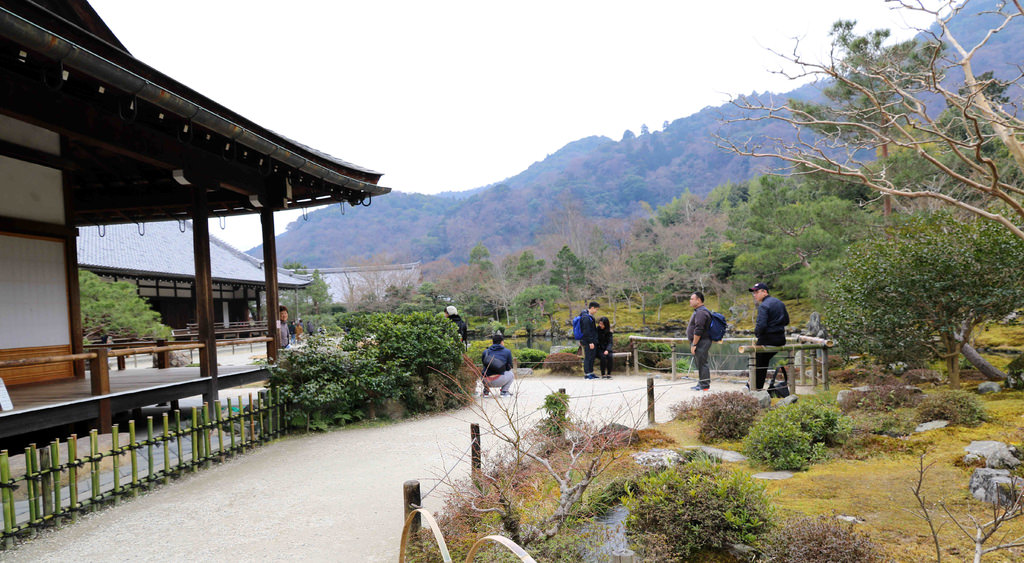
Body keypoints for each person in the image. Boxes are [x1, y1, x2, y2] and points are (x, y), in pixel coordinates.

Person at [750, 282, 789, 390]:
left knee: (758, 363)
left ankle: (755, 388)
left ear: (765, 292)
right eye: (754, 293)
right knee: (762, 362)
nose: (755, 295)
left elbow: (761, 325)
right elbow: (786, 321)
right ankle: (754, 387)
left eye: (757, 292)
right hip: (781, 339)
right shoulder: (780, 303)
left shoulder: (764, 306)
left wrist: (757, 334)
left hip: (767, 339)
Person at [686, 291, 713, 391]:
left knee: (702, 363)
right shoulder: (699, 311)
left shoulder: (701, 312)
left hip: (701, 341)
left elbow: (699, 330)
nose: (690, 301)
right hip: (701, 341)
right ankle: (701, 383)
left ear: (698, 300)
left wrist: (694, 344)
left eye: (692, 299)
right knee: (700, 362)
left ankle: (704, 385)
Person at [580, 301, 600, 380]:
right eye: (596, 309)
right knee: (588, 357)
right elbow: (586, 331)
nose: (596, 311)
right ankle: (587, 374)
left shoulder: (589, 316)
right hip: (588, 341)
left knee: (592, 357)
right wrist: (590, 342)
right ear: (592, 308)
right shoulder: (586, 317)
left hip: (592, 341)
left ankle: (591, 372)